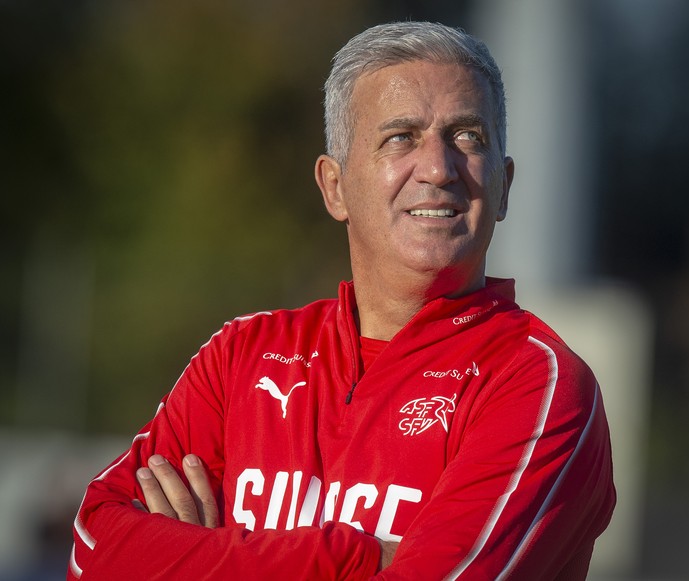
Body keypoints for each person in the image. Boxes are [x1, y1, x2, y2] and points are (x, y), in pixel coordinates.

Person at [68, 21, 615, 580]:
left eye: (468, 137)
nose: (438, 168)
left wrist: (198, 559)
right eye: (400, 137)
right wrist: (358, 557)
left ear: (504, 186)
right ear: (334, 187)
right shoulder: (241, 357)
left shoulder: (538, 383)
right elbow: (92, 549)